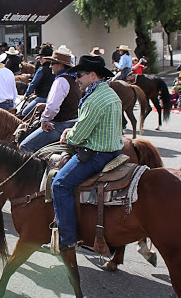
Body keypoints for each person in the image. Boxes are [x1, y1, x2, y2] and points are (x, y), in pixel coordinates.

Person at [52, 54, 123, 254]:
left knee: (59, 184)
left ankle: (67, 238)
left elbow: (79, 135)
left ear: (92, 75)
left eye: (79, 75)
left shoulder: (94, 100)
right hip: (113, 150)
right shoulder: (110, 94)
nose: (76, 79)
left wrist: (68, 136)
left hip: (96, 154)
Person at [19, 47, 81, 153]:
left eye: (53, 63)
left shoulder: (60, 81)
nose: (50, 66)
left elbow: (52, 108)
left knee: (24, 146)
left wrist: (45, 120)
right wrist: (45, 104)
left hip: (60, 125)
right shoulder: (73, 79)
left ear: (60, 66)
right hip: (74, 122)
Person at [21, 45, 55, 118]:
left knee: (25, 112)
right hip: (52, 97)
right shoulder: (55, 69)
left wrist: (27, 94)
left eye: (42, 57)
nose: (40, 59)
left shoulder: (41, 70)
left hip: (42, 97)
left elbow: (33, 84)